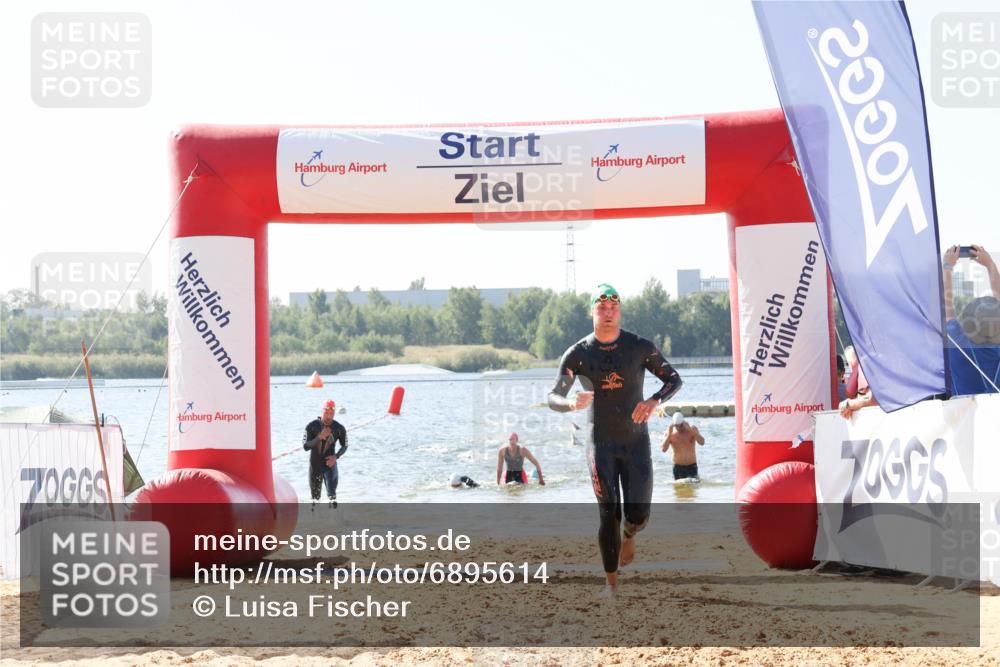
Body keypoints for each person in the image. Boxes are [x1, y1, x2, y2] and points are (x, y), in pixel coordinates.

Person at [547, 283, 682, 596]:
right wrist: (570, 403)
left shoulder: (639, 347)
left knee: (638, 514)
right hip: (600, 446)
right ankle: (611, 584)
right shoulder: (579, 353)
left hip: (636, 443)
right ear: (592, 312)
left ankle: (630, 534)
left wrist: (653, 401)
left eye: (613, 308)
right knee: (608, 514)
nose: (608, 313)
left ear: (619, 311)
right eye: (601, 308)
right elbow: (554, 395)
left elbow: (673, 379)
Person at [942, 245, 1000, 396]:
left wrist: (947, 267)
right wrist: (990, 265)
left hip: (962, 417)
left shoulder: (957, 342)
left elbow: (947, 308)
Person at [302, 399, 348, 509]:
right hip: (315, 466)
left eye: (331, 414)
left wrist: (336, 457)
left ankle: (335, 523)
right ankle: (315, 522)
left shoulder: (339, 428)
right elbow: (305, 446)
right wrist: (319, 437)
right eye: (326, 413)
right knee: (315, 499)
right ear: (322, 411)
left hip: (330, 465)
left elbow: (344, 445)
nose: (329, 416)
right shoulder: (312, 426)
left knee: (332, 497)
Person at [660, 412, 704, 481]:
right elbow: (663, 449)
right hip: (677, 467)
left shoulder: (692, 428)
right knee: (679, 491)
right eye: (676, 426)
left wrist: (690, 430)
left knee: (692, 490)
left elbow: (702, 442)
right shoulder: (670, 432)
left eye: (680, 425)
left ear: (683, 422)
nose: (678, 428)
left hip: (691, 466)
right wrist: (669, 434)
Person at [839, 345, 878, 420]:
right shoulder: (872, 365)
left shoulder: (861, 368)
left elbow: (872, 399)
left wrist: (849, 404)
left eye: (847, 364)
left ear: (851, 363)